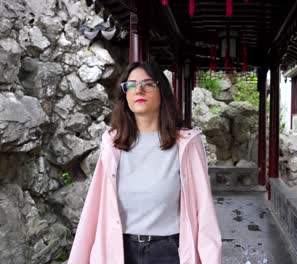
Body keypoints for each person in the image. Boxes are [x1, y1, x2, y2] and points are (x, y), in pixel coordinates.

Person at [68, 62, 222, 264]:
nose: (138, 90)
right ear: (125, 96)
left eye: (147, 84)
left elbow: (203, 209)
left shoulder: (187, 144)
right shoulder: (113, 144)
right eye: (130, 85)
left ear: (162, 91)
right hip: (119, 249)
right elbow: (95, 207)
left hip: (168, 251)